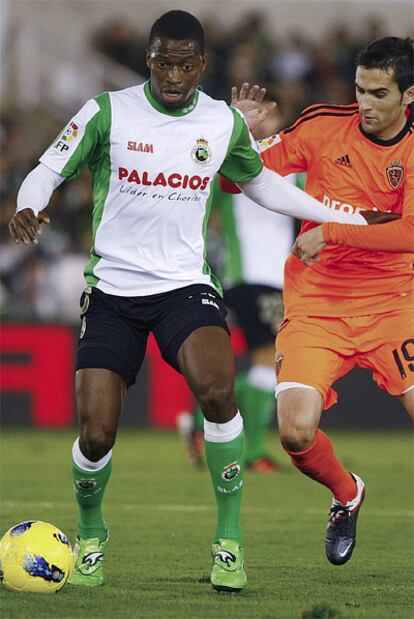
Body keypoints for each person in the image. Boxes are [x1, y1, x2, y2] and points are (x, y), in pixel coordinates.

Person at [9, 11, 377, 592]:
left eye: (185, 63)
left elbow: (264, 185)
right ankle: (92, 534)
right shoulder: (109, 111)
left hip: (184, 285)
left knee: (217, 390)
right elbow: (49, 167)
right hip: (113, 291)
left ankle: (229, 542)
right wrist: (28, 203)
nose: (173, 74)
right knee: (97, 432)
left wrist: (343, 215)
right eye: (162, 61)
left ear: (202, 64)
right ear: (148, 59)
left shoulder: (221, 122)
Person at [231, 36, 413, 566]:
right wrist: (238, 136)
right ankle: (346, 493)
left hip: (392, 303)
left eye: (380, 93)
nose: (366, 104)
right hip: (318, 303)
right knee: (294, 431)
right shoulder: (322, 125)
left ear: (408, 96)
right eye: (360, 90)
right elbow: (235, 183)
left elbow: (408, 232)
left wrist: (332, 231)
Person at [180, 108, 299, 472]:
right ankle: (242, 446)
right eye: (258, 119)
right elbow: (196, 208)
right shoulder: (229, 166)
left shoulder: (298, 172)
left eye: (272, 119)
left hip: (281, 278)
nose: (265, 125)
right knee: (269, 362)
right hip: (246, 275)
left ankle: (207, 426)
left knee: (270, 365)